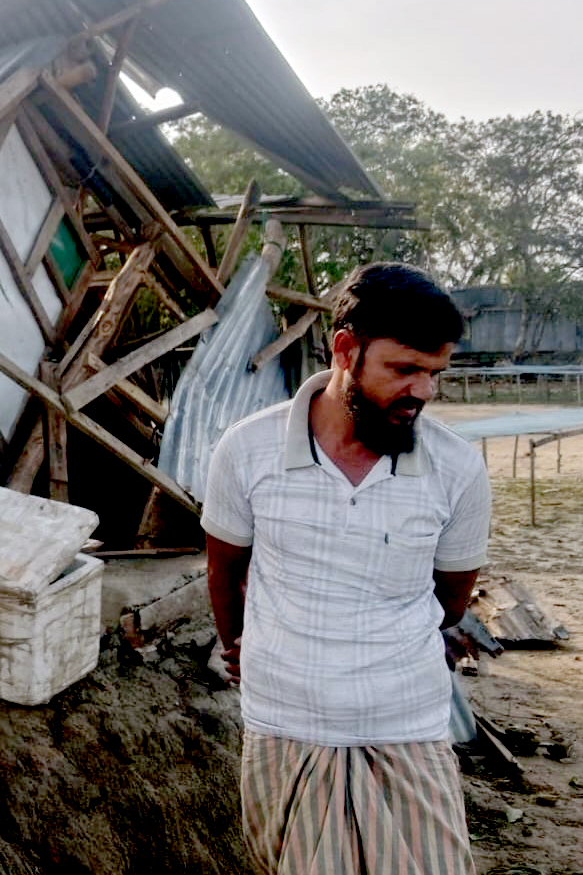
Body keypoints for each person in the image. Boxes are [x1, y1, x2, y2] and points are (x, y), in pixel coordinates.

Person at [201, 262, 489, 875]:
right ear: (345, 350)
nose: (424, 392)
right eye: (404, 369)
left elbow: (452, 599)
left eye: (435, 373)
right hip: (286, 723)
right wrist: (241, 647)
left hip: (406, 721)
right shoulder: (247, 450)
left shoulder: (457, 469)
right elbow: (224, 570)